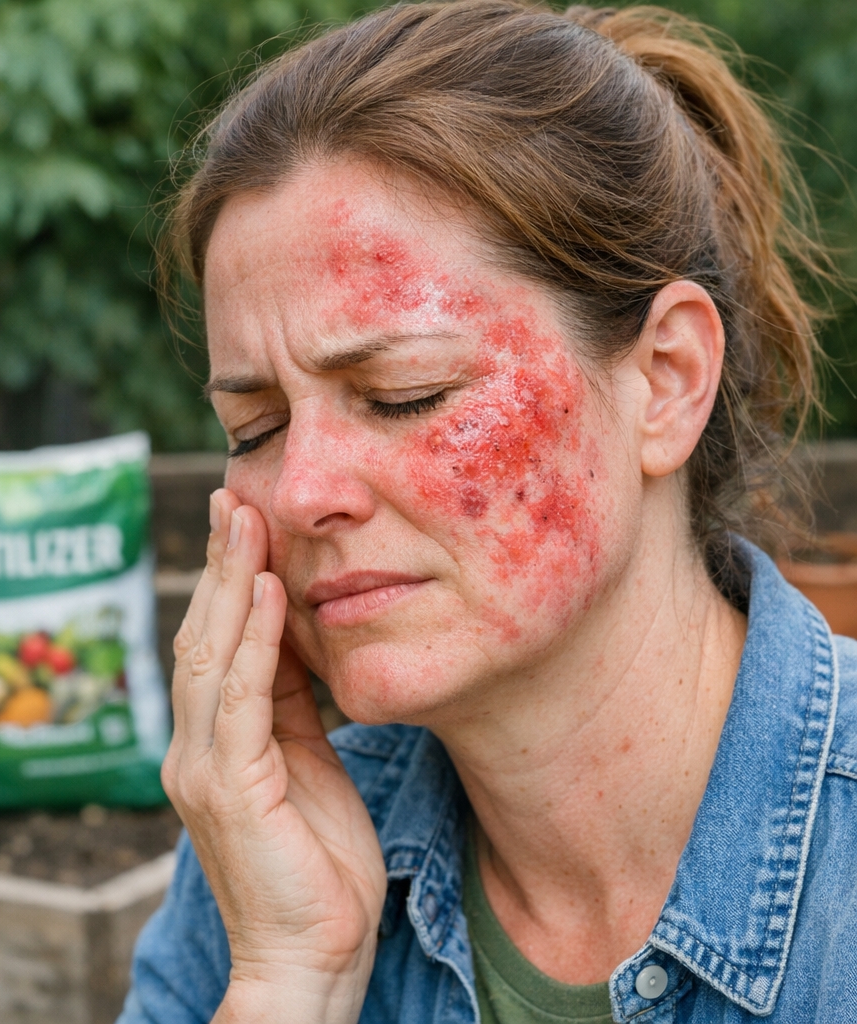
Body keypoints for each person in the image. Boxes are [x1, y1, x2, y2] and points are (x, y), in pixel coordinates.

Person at [119, 3, 857, 1022]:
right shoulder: (268, 845)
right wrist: (291, 975)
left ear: (668, 381)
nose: (298, 492)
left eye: (404, 393)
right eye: (253, 427)